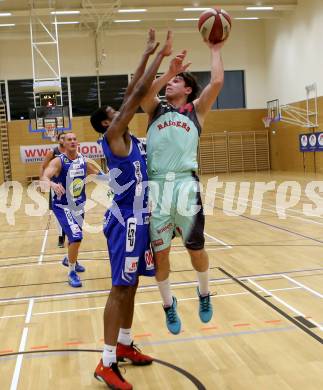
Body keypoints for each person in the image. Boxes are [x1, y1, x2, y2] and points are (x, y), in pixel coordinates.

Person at [90, 29, 172, 390]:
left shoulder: (122, 133)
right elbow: (137, 94)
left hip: (142, 218)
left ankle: (124, 342)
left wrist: (148, 53)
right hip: (126, 224)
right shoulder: (114, 137)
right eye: (114, 112)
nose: (119, 109)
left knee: (133, 284)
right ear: (109, 124)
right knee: (120, 288)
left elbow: (131, 93)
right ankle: (106, 362)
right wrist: (159, 59)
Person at [141, 39, 226, 334]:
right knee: (160, 255)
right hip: (157, 188)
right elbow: (143, 93)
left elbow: (216, 81)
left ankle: (203, 294)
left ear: (188, 89)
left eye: (176, 81)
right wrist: (167, 72)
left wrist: (215, 48)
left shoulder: (196, 111)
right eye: (168, 81)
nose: (169, 84)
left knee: (195, 250)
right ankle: (168, 305)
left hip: (185, 184)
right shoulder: (155, 110)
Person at [41, 132, 100, 287]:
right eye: (69, 140)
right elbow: (44, 177)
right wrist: (52, 184)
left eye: (75, 139)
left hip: (79, 205)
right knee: (76, 237)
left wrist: (112, 179)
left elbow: (97, 173)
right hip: (63, 206)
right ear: (64, 144)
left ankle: (69, 259)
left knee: (75, 238)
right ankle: (71, 272)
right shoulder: (58, 161)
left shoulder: (83, 160)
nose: (73, 141)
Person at [40, 131, 66, 248]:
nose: (64, 140)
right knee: (58, 212)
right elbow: (43, 166)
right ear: (58, 139)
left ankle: (71, 233)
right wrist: (43, 183)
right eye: (62, 138)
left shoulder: (71, 152)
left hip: (69, 186)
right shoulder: (53, 152)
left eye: (66, 138)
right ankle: (61, 236)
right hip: (56, 185)